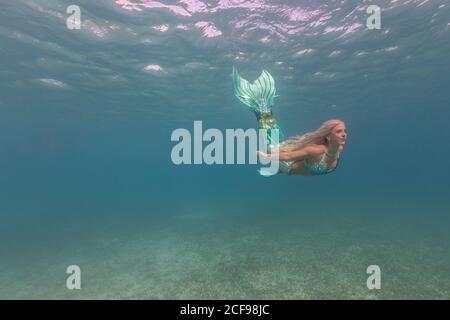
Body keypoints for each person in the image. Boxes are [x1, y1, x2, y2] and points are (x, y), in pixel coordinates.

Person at [232, 67, 347, 177]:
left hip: (289, 164)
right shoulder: (316, 151)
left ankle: (261, 106)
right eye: (338, 131)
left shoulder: (339, 148)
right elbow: (288, 156)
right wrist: (266, 156)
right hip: (286, 165)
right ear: (328, 137)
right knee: (273, 140)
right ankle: (260, 105)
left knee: (277, 138)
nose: (344, 134)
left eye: (344, 131)